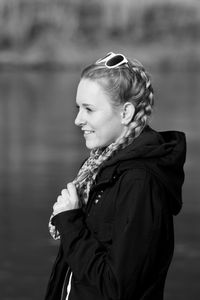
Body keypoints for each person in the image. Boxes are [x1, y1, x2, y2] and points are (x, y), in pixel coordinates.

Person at [44, 52, 186, 300]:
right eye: (78, 108)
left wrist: (70, 222)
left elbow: (116, 289)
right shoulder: (99, 167)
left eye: (89, 109)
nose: (78, 120)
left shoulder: (140, 183)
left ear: (125, 113)